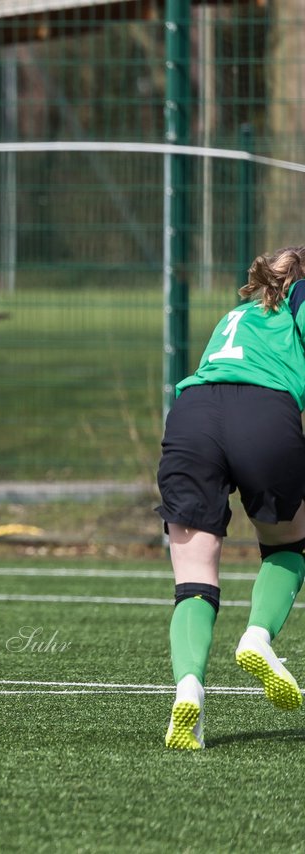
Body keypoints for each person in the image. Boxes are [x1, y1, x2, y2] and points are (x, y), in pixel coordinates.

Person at [158, 245, 305, 750]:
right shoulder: (300, 302)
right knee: (290, 543)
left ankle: (189, 690)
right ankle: (257, 637)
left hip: (192, 414)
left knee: (193, 581)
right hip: (263, 413)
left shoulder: (237, 314)